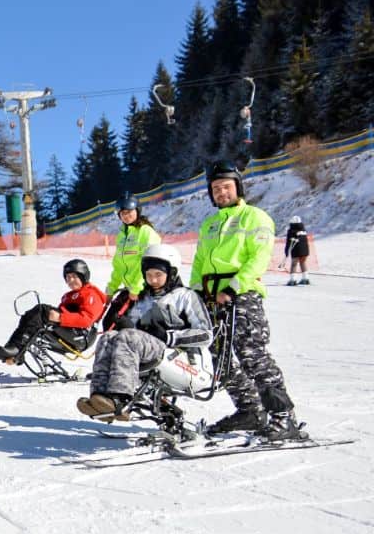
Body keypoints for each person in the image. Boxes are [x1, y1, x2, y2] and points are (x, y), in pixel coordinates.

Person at [191, 160, 301, 440]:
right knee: (220, 357)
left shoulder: (255, 217)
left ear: (237, 187)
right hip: (212, 297)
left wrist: (233, 288)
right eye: (215, 188)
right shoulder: (210, 224)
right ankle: (250, 410)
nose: (221, 192)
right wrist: (195, 293)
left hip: (242, 295)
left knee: (252, 355)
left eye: (226, 187)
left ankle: (282, 416)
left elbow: (259, 258)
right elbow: (200, 261)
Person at [76, 244, 213, 421]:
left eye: (158, 275)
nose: (153, 280)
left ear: (171, 273)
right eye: (148, 275)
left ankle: (121, 398)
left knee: (127, 336)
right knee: (109, 337)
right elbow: (132, 338)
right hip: (154, 354)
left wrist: (169, 336)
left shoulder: (185, 296)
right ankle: (100, 397)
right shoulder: (142, 299)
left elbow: (206, 334)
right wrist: (123, 322)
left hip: (187, 362)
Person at [0, 259, 107, 363]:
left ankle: (16, 349)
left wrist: (60, 318)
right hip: (72, 332)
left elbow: (86, 320)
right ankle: (14, 349)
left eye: (74, 276)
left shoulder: (91, 294)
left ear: (83, 276)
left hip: (82, 337)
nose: (70, 280)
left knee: (42, 311)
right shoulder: (68, 296)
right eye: (68, 277)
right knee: (31, 317)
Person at [104, 194, 161, 326]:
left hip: (145, 290)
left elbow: (150, 264)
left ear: (137, 211)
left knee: (132, 327)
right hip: (130, 290)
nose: (126, 215)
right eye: (122, 213)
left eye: (129, 212)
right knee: (109, 323)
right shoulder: (122, 236)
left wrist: (136, 288)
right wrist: (111, 289)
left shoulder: (146, 232)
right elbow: (119, 267)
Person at [285, 215, 311, 286]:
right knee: (303, 263)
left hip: (296, 250)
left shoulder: (291, 231)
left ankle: (292, 280)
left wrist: (286, 251)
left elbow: (288, 242)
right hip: (305, 250)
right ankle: (305, 279)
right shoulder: (303, 230)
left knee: (294, 264)